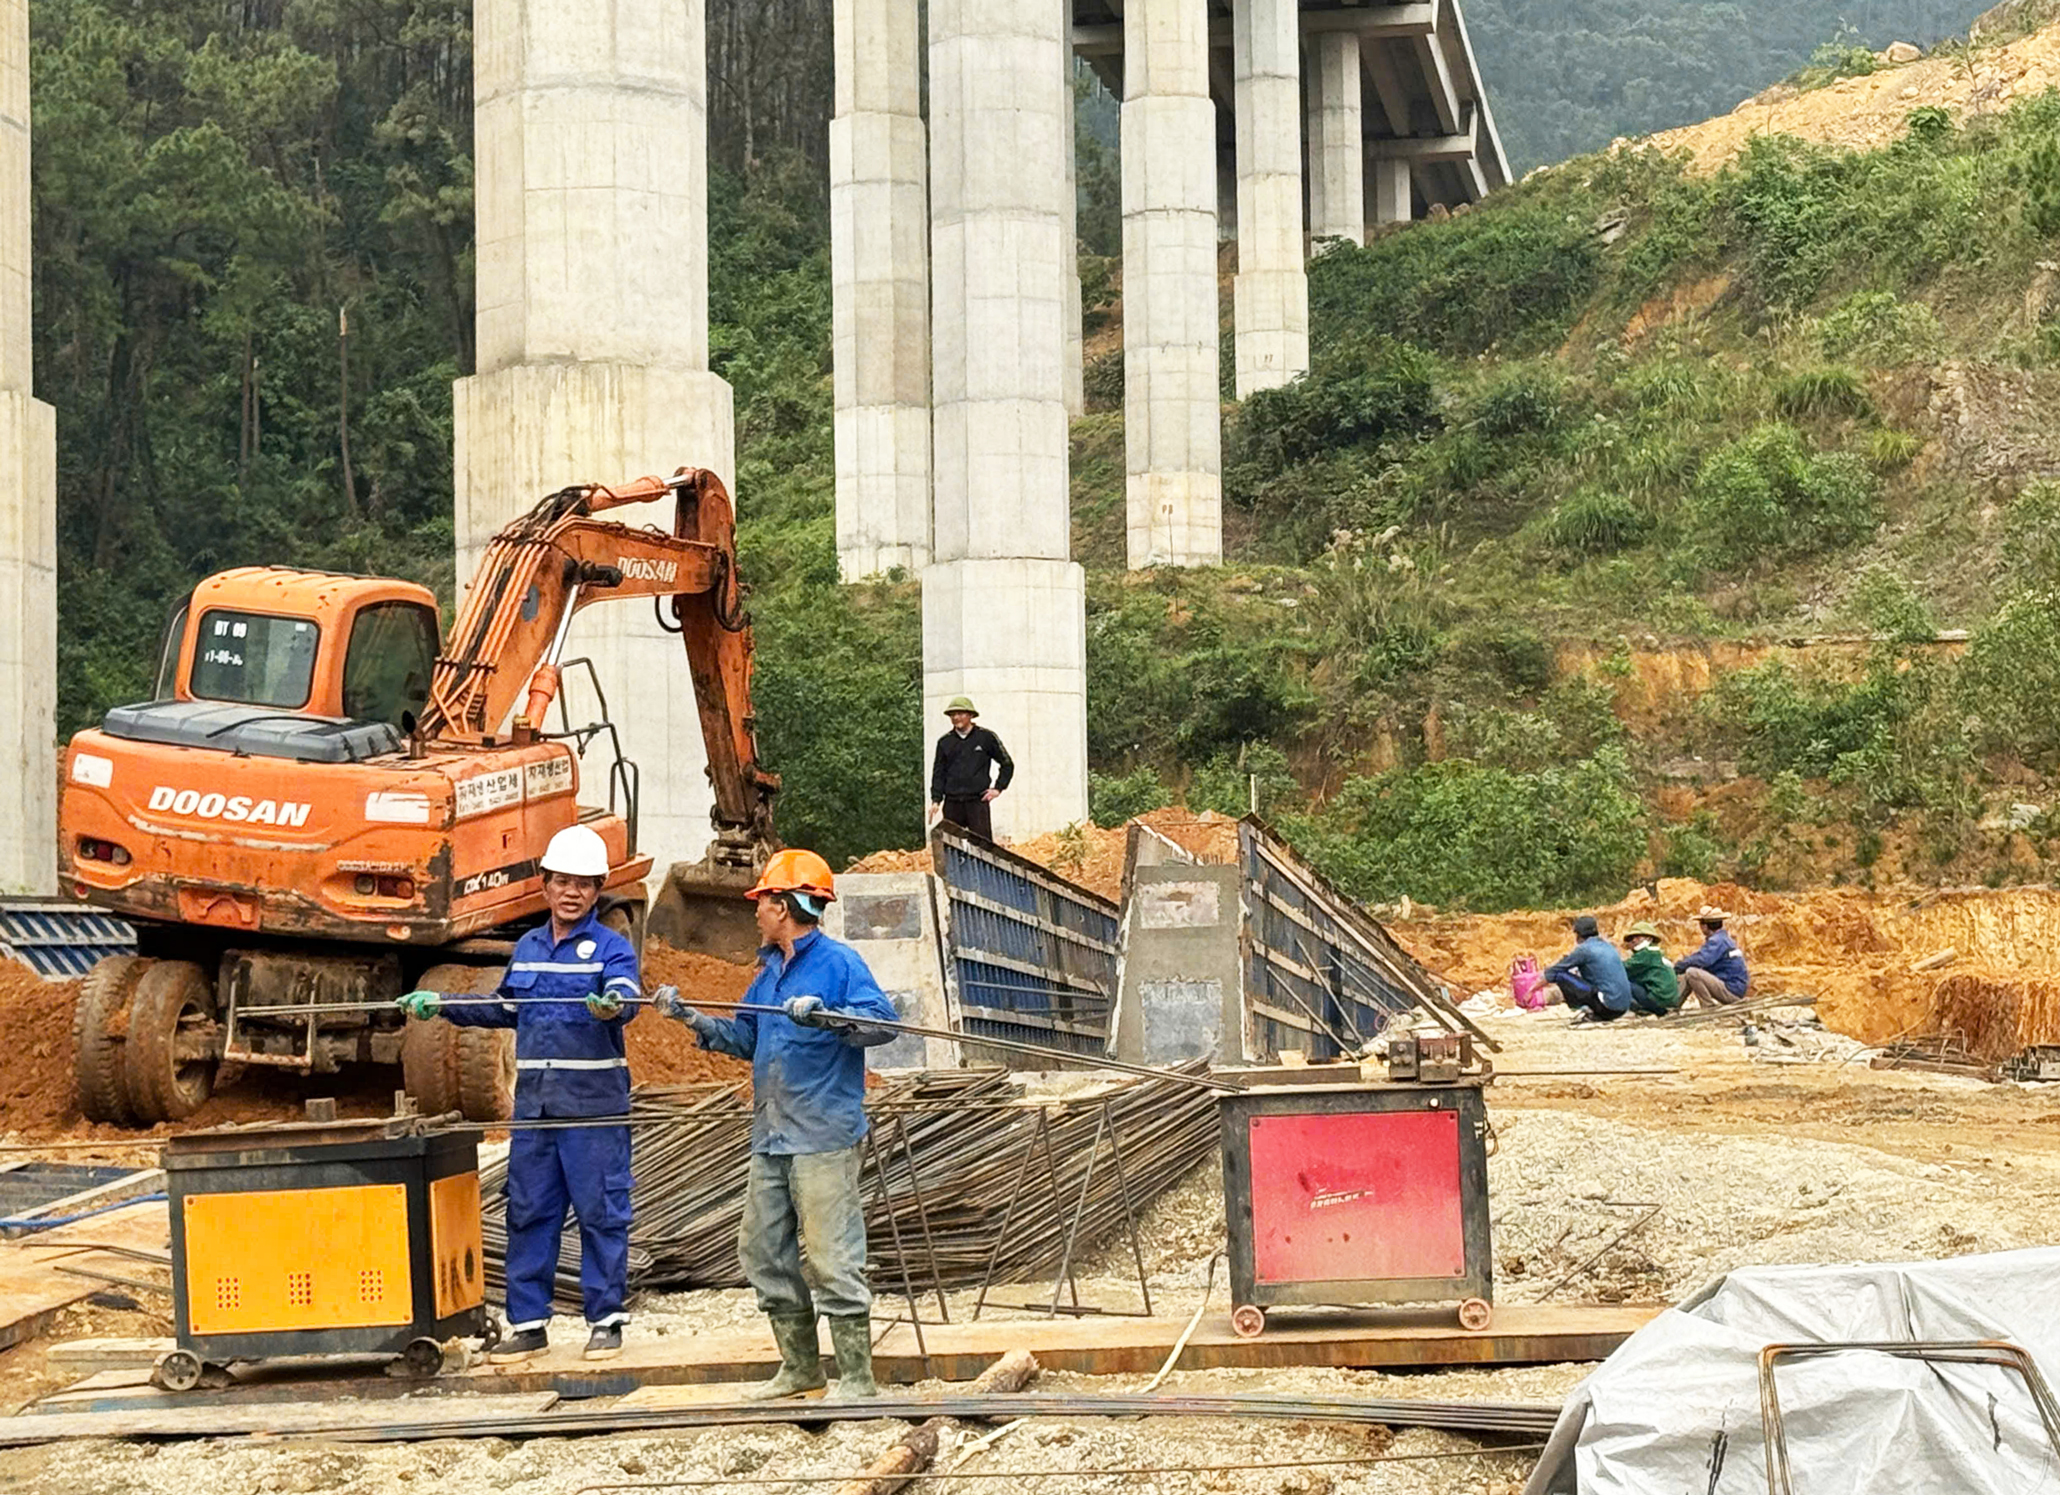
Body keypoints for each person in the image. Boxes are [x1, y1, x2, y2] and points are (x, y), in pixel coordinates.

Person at [653, 849, 900, 1400]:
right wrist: (691, 1018)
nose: (756, 913)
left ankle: (858, 1380)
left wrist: (829, 1016)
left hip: (822, 1135)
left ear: (784, 906)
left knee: (832, 1257)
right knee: (763, 1252)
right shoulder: (767, 976)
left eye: (762, 902)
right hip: (772, 1136)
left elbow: (884, 1025)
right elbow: (748, 1038)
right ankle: (801, 1367)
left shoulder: (838, 965)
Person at [396, 824, 641, 1363]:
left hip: (593, 1110)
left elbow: (627, 997)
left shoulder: (611, 949)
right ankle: (528, 1324)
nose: (571, 892)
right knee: (529, 1210)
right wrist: (441, 1004)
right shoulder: (527, 948)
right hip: (535, 1111)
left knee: (601, 1209)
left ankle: (606, 1321)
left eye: (583, 883)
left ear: (597, 890)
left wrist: (612, 1004)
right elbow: (505, 1008)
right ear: (545, 885)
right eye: (561, 881)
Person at [929, 697, 1013, 841]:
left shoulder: (986, 737)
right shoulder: (945, 742)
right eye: (952, 715)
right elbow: (939, 773)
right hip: (952, 802)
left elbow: (1007, 764)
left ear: (970, 715)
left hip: (977, 801)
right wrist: (936, 800)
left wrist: (998, 788)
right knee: (951, 845)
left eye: (960, 714)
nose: (956, 718)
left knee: (983, 846)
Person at [1539, 915, 1636, 1023]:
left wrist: (1531, 991)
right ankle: (1597, 1012)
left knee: (1561, 975)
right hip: (1623, 1007)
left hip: (1608, 1007)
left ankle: (1585, 1008)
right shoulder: (1608, 946)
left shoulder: (1584, 949)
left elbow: (1555, 970)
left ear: (1578, 934)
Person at [1675, 905, 1750, 1007]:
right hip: (1734, 988)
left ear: (1705, 926)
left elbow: (1702, 959)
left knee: (1692, 973)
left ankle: (1707, 1006)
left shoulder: (1717, 941)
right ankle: (1674, 1005)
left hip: (1731, 990)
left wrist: (1679, 966)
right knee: (1690, 974)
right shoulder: (1724, 939)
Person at [1621, 921, 1683, 1015]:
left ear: (1648, 938)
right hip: (1667, 1001)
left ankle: (1644, 1010)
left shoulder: (1646, 954)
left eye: (1637, 937)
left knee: (1622, 982)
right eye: (1631, 938)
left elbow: (1623, 968)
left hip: (1659, 1002)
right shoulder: (1657, 952)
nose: (1633, 940)